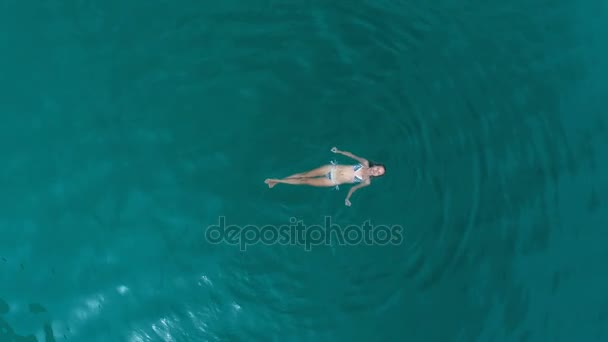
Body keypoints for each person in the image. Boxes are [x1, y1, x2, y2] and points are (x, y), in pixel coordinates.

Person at [264, 147, 386, 206]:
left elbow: (353, 188)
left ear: (377, 175)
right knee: (303, 175)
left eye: (379, 173)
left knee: (304, 181)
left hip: (332, 181)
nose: (376, 171)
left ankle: (276, 181)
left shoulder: (366, 181)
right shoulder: (364, 163)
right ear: (376, 165)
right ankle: (277, 181)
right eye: (378, 168)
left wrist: (347, 198)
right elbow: (352, 156)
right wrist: (339, 151)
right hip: (331, 168)